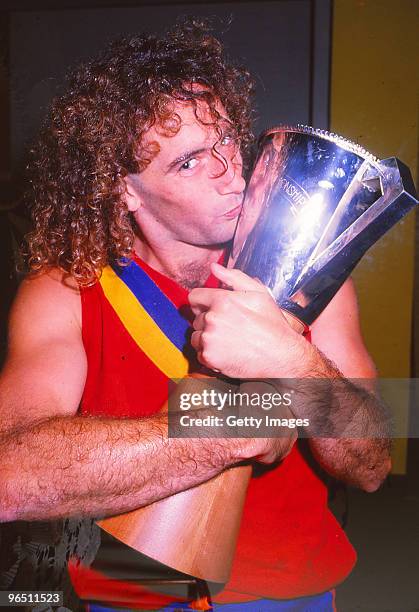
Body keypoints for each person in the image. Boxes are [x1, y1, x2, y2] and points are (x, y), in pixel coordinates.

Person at [0, 19, 390, 611]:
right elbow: (11, 476)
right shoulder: (65, 286)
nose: (230, 169)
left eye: (228, 139)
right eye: (187, 163)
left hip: (289, 591)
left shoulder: (316, 271)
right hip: (125, 595)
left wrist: (297, 366)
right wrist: (233, 425)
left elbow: (372, 464)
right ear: (124, 189)